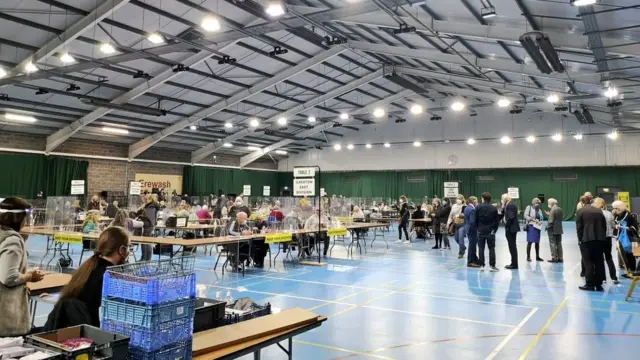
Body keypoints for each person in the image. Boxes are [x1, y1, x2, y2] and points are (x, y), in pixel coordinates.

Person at [54, 227, 130, 328]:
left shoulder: (88, 267)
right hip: (87, 332)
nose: (130, 250)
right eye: (129, 246)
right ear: (122, 250)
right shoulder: (110, 276)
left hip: (66, 327)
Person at [0, 198, 45, 336]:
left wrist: (22, 283)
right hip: (6, 318)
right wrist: (30, 276)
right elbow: (8, 277)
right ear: (18, 217)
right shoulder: (12, 240)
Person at [576, 194, 607, 291]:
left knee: (588, 262)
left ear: (581, 202)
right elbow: (604, 226)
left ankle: (589, 284)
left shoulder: (580, 211)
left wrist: (580, 239)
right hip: (600, 240)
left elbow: (579, 228)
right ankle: (599, 284)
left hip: (587, 240)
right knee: (599, 262)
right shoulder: (599, 211)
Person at [594, 198, 618, 284]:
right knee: (609, 257)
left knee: (600, 259)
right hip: (608, 239)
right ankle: (614, 277)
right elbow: (613, 226)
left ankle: (603, 278)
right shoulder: (609, 214)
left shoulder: (595, 214)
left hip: (599, 239)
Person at [612, 200, 638, 276]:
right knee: (624, 255)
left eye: (616, 208)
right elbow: (614, 224)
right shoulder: (617, 215)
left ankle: (633, 271)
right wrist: (617, 226)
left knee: (631, 255)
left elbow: (634, 227)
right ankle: (629, 271)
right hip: (621, 237)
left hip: (630, 238)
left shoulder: (629, 216)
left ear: (620, 208)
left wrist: (624, 227)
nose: (615, 210)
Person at [475, 193, 499, 271]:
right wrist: (494, 230)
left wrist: (477, 228)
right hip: (490, 231)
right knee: (491, 248)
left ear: (483, 198)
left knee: (481, 248)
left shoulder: (478, 207)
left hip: (480, 231)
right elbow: (496, 221)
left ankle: (481, 265)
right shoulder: (493, 208)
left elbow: (475, 220)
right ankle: (492, 266)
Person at [502, 194, 520, 270]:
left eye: (502, 198)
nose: (502, 200)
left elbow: (511, 217)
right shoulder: (508, 205)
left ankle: (514, 264)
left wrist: (507, 225)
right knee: (512, 246)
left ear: (505, 199)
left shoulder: (511, 205)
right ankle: (513, 263)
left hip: (511, 228)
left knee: (512, 246)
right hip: (511, 228)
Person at [524, 198, 544, 262]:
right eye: (536, 203)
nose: (537, 204)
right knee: (530, 242)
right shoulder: (529, 207)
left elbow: (541, 218)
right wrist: (532, 219)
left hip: (537, 227)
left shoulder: (539, 210)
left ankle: (537, 257)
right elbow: (525, 215)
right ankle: (528, 257)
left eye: (538, 203)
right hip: (531, 226)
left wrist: (540, 221)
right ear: (533, 202)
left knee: (537, 242)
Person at [447, 195, 467, 259]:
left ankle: (461, 253)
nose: (458, 200)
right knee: (456, 239)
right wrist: (448, 222)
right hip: (455, 224)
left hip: (462, 224)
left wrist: (460, 215)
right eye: (457, 198)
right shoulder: (454, 206)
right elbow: (450, 215)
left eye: (459, 199)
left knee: (461, 239)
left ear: (462, 200)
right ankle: (463, 247)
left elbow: (466, 215)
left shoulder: (465, 206)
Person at [141, 194, 159, 261]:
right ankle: (144, 257)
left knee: (147, 243)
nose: (145, 200)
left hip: (148, 226)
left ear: (150, 199)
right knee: (145, 243)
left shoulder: (151, 207)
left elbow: (150, 219)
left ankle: (147, 258)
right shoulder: (149, 206)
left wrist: (141, 217)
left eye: (146, 199)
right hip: (148, 225)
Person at [545, 198, 564, 263]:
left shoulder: (553, 210)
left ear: (551, 203)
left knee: (552, 243)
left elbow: (551, 221)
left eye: (548, 203)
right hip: (559, 228)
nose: (548, 204)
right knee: (559, 243)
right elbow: (559, 219)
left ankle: (554, 257)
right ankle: (560, 257)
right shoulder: (560, 209)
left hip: (552, 229)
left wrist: (547, 227)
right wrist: (549, 214)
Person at [464, 196, 479, 267]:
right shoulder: (472, 209)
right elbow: (472, 221)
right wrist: (476, 229)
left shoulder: (467, 208)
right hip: (472, 229)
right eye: (476, 201)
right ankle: (470, 261)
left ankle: (475, 259)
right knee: (472, 246)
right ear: (474, 201)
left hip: (468, 228)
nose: (477, 202)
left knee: (472, 245)